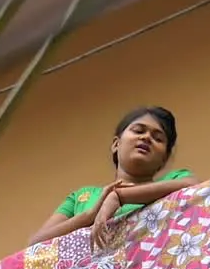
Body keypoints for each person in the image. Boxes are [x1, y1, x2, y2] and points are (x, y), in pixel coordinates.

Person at [29, 106, 195, 247]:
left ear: (164, 158)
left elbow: (195, 186)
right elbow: (35, 244)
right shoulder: (82, 197)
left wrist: (120, 197)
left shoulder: (174, 179)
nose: (146, 138)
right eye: (138, 130)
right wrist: (90, 216)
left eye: (158, 138)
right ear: (116, 144)